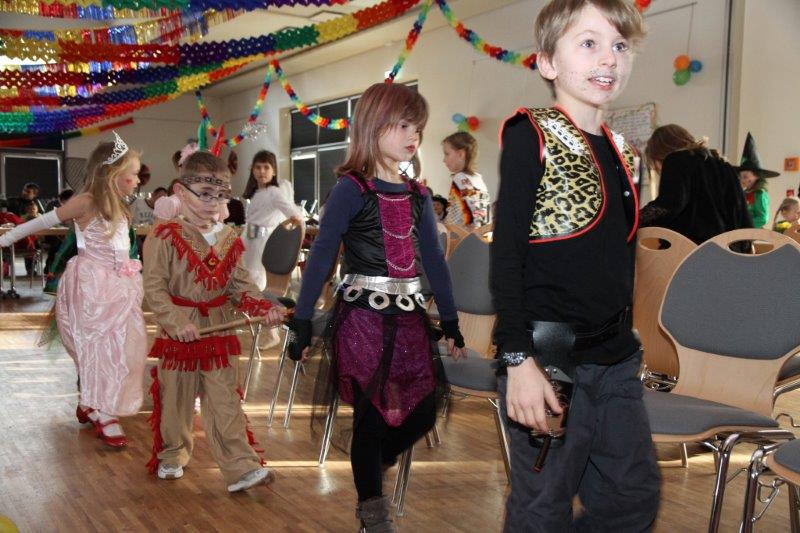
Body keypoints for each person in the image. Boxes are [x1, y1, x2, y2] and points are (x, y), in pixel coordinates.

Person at [491, 1, 660, 530]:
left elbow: (618, 264)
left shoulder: (625, 152)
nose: (608, 58)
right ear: (548, 62)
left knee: (632, 498)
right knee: (542, 507)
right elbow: (507, 255)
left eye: (619, 45)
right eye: (588, 43)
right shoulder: (532, 135)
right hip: (548, 362)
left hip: (616, 361)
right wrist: (518, 361)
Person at [290, 82, 465, 532]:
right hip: (361, 319)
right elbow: (321, 256)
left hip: (408, 318)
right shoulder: (351, 189)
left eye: (418, 128)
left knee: (423, 411)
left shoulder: (419, 195)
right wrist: (302, 319)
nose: (413, 136)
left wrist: (450, 320)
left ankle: (373, 461)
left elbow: (435, 262)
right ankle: (373, 513)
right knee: (370, 416)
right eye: (403, 126)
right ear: (373, 126)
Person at [142, 150, 287, 492]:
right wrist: (176, 322)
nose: (214, 203)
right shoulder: (163, 235)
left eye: (221, 195)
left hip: (219, 331)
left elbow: (241, 287)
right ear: (181, 191)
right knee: (176, 399)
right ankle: (173, 453)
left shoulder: (228, 238)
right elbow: (154, 288)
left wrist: (263, 309)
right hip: (180, 332)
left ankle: (241, 466)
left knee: (225, 400)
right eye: (205, 194)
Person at [0, 132, 147, 448]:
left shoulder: (121, 207)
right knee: (96, 348)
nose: (137, 180)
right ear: (112, 173)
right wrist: (6, 238)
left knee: (122, 349)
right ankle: (104, 411)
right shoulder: (86, 202)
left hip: (119, 287)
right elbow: (43, 222)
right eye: (133, 174)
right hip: (92, 286)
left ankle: (91, 401)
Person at [639, 124, 752, 243]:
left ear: (660, 154)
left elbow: (668, 205)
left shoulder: (675, 159)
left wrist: (635, 219)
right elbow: (742, 215)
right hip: (727, 248)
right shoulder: (724, 166)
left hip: (692, 248)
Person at [241, 150, 303, 290]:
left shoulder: (274, 192)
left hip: (261, 241)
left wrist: (286, 233)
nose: (262, 171)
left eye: (266, 167)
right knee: (247, 274)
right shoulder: (257, 192)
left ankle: (256, 300)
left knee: (256, 276)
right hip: (249, 238)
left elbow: (295, 215)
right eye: (258, 167)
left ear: (274, 171)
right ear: (252, 170)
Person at [442, 131, 490, 228]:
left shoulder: (460, 178)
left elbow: (454, 219)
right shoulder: (478, 179)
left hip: (465, 235)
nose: (444, 160)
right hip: (484, 233)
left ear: (461, 154)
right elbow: (483, 214)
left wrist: (444, 229)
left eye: (447, 154)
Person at [737, 132, 779, 229]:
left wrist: (744, 225)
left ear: (756, 176)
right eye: (740, 176)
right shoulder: (743, 193)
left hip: (751, 231)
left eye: (745, 176)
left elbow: (763, 218)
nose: (742, 180)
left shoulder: (760, 194)